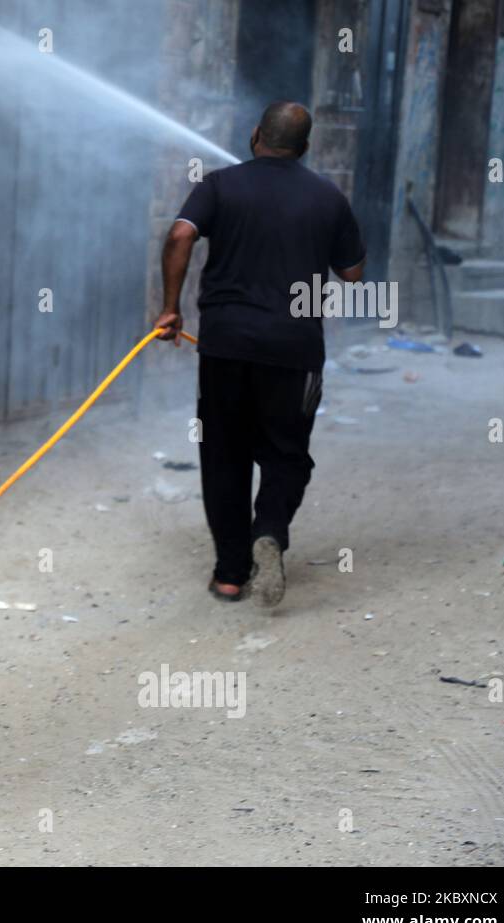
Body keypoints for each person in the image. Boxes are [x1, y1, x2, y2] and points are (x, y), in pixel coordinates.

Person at [154, 101, 365, 607]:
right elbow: (353, 274)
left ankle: (230, 574)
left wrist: (170, 309)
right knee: (286, 452)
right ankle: (268, 530)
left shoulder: (219, 185)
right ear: (306, 146)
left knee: (224, 454)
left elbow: (181, 234)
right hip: (294, 349)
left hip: (226, 344)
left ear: (255, 136)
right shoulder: (328, 197)